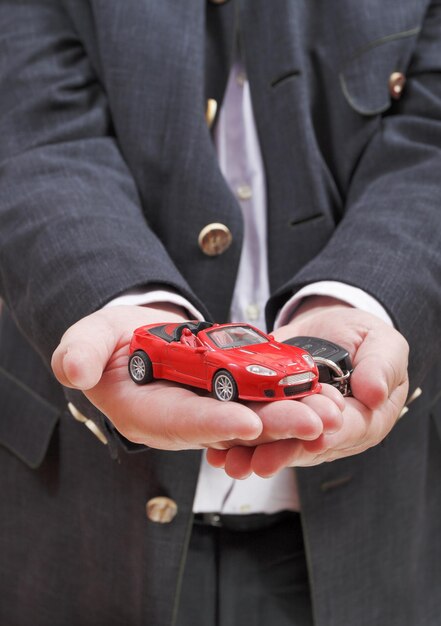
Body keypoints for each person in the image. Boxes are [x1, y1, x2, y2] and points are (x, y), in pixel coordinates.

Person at [0, 1, 440, 625]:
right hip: (78, 524)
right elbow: (32, 124)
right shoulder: (193, 356)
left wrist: (359, 298)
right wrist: (122, 299)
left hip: (378, 534)